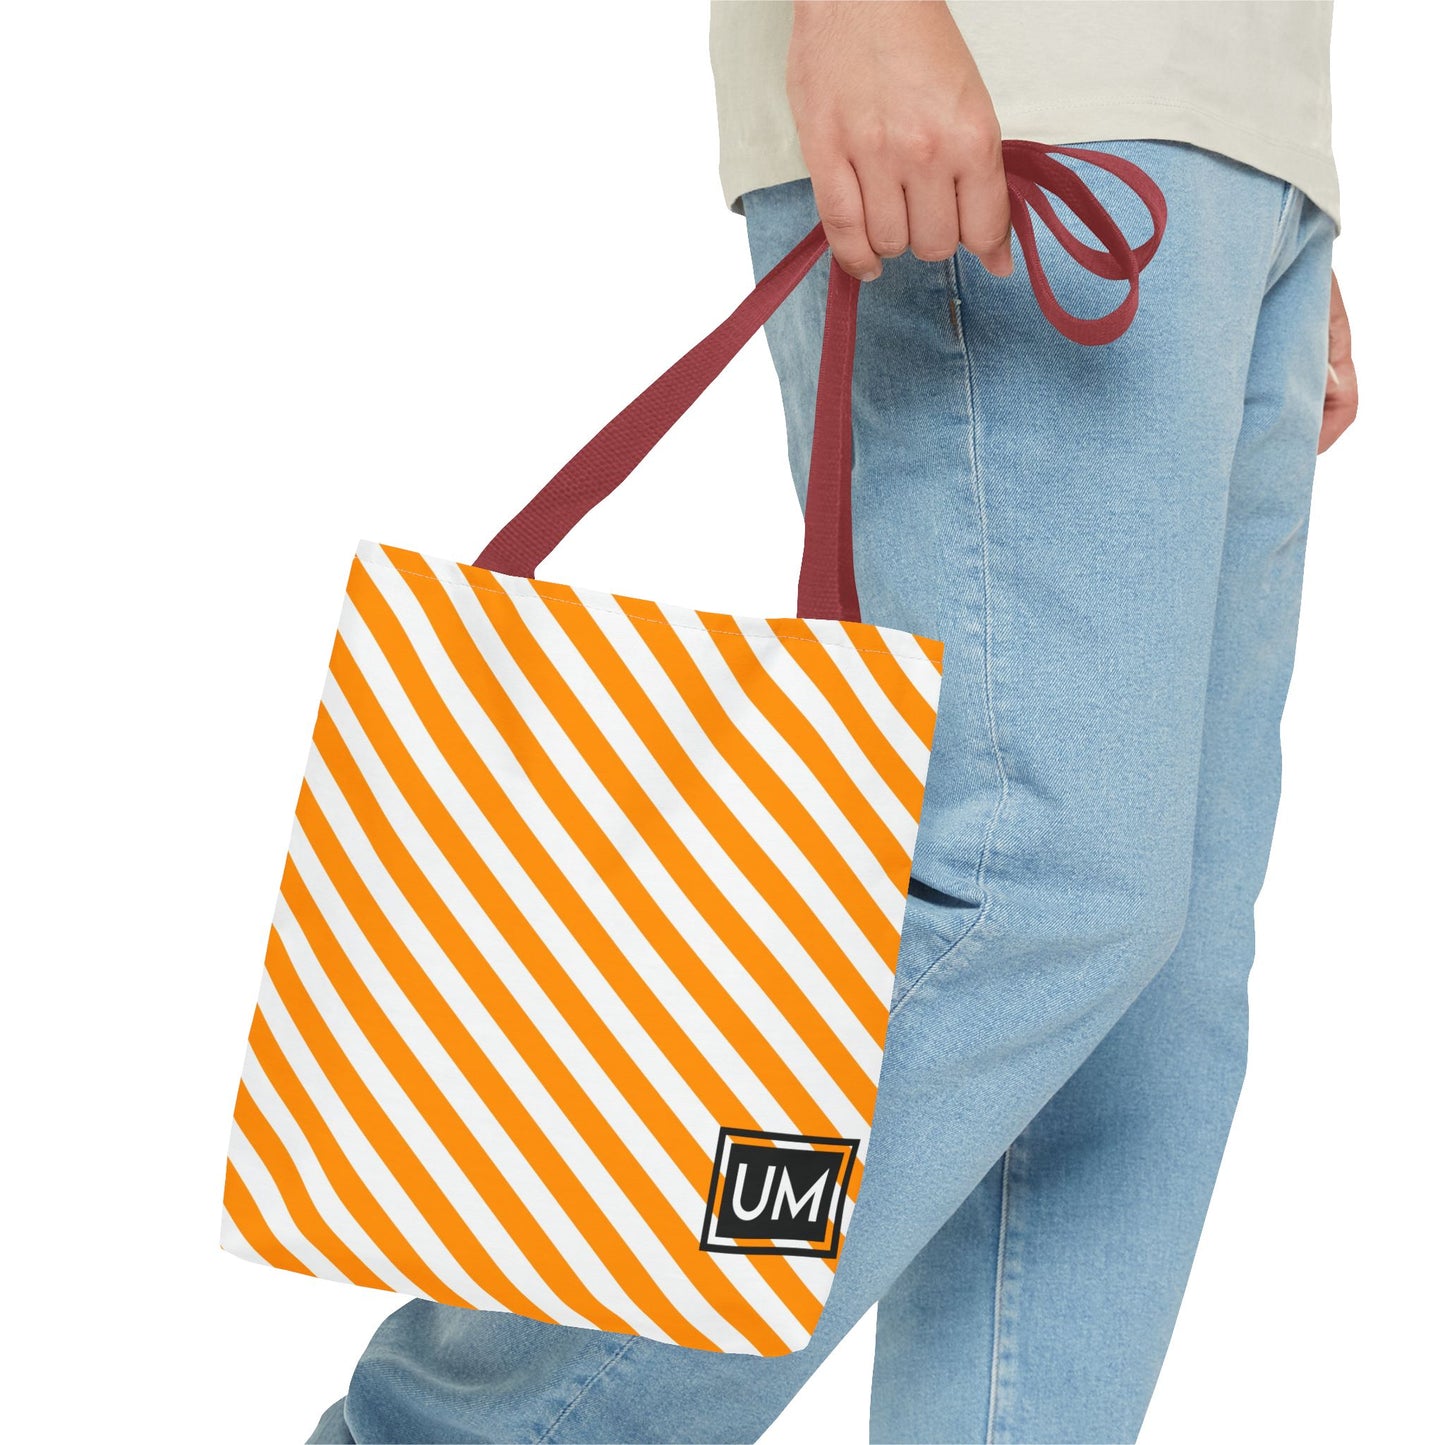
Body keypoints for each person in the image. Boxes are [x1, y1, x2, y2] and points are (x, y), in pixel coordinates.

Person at [307, 3, 1357, 1440]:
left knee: (1143, 1020)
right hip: (1019, 82)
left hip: (1229, 141)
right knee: (1028, 887)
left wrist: (1271, 175)